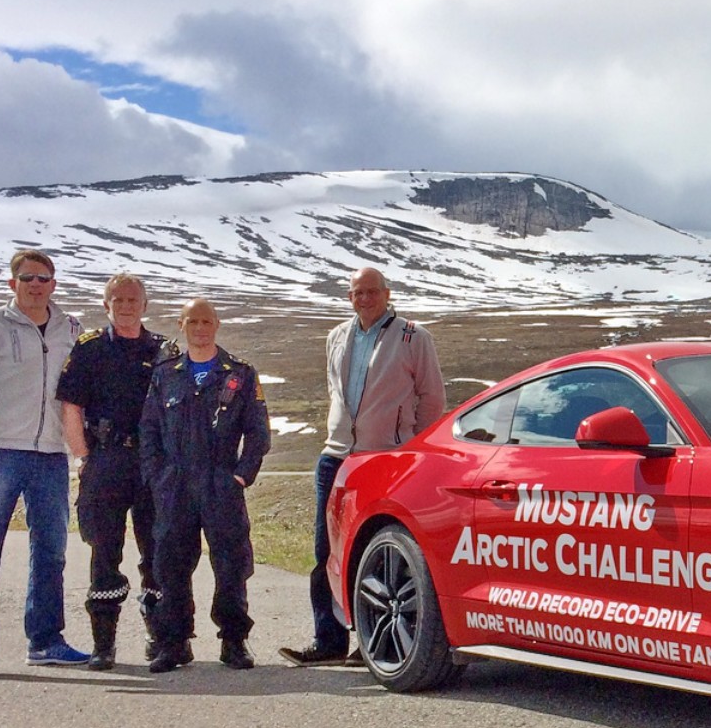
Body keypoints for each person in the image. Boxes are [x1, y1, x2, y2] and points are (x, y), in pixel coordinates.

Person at [279, 266, 446, 666]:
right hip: (336, 456)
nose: (365, 299)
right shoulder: (337, 336)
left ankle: (372, 642)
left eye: (372, 292)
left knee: (377, 549)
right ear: (349, 296)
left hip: (384, 458)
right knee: (326, 551)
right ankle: (328, 639)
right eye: (358, 293)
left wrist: (408, 447)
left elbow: (432, 398)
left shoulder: (412, 337)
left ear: (387, 294)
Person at [0, 250, 89, 679]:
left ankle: (45, 641)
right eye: (27, 278)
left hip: (50, 456)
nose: (36, 285)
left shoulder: (71, 329)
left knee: (51, 553)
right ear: (13, 284)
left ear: (54, 284)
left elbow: (79, 393)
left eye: (43, 278)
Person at [139, 298, 270, 674]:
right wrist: (156, 475)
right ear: (182, 325)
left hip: (220, 481)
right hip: (175, 484)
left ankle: (234, 640)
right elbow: (149, 429)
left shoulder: (240, 374)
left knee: (231, 563)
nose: (200, 328)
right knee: (171, 564)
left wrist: (241, 475)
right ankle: (174, 641)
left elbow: (258, 433)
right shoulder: (166, 374)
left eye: (206, 321)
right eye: (192, 321)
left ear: (217, 324)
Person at [56, 273, 166, 670]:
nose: (125, 305)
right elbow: (70, 407)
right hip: (106, 461)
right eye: (117, 299)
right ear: (106, 305)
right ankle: (104, 644)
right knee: (105, 553)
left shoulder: (162, 351)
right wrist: (83, 458)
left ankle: (162, 639)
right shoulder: (88, 349)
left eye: (132, 299)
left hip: (152, 466)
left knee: (157, 552)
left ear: (144, 304)